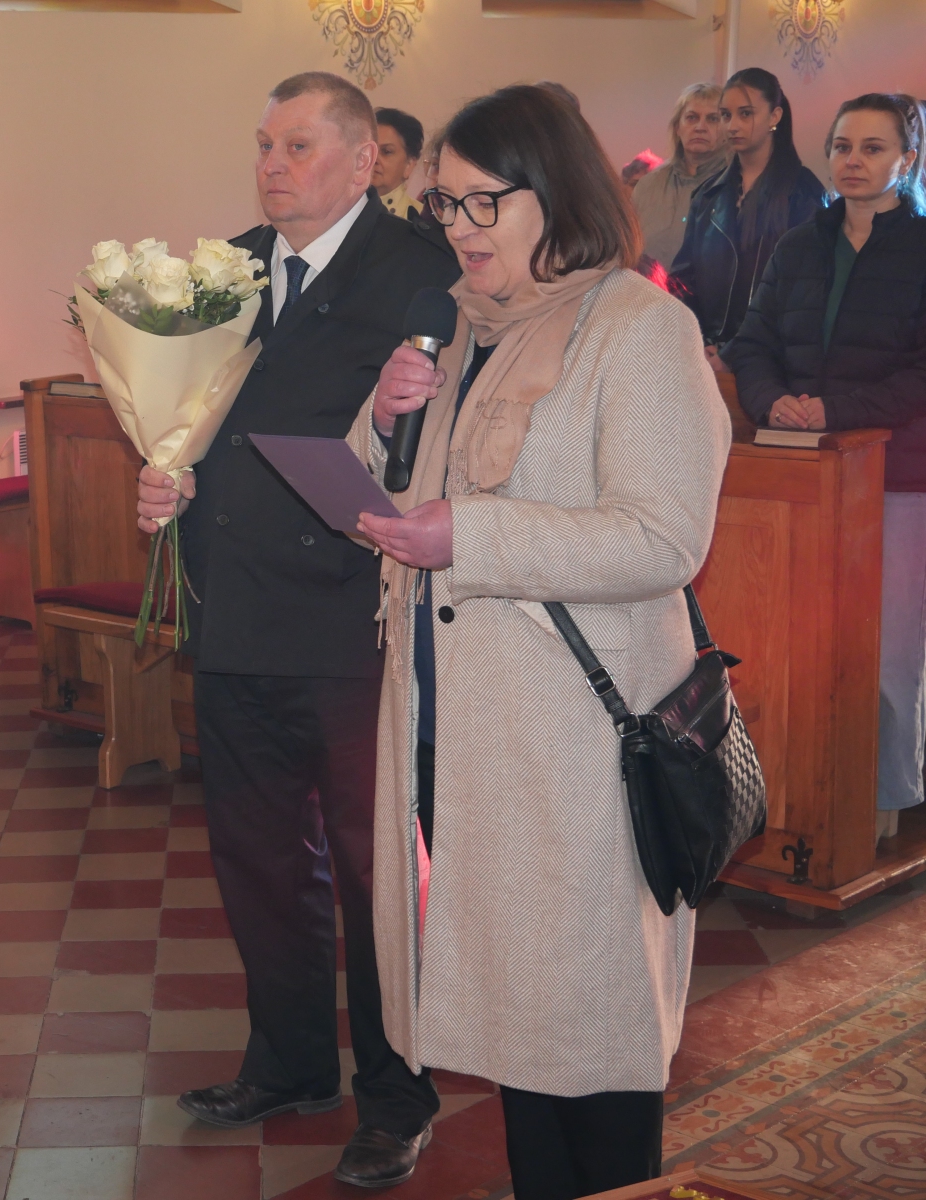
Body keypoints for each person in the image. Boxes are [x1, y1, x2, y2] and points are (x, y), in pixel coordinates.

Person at [348, 84, 729, 1200]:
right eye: (444, 203)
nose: (459, 227)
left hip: (577, 741)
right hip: (460, 725)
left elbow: (663, 537)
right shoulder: (460, 327)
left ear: (554, 193)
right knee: (525, 1023)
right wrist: (383, 417)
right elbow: (396, 496)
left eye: (484, 202)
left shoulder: (639, 329)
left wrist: (471, 536)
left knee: (592, 1032)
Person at [135, 71, 459, 1189]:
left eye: (299, 147)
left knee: (376, 872)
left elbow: (435, 445)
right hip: (232, 606)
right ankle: (288, 1062)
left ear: (364, 161)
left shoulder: (419, 271)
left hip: (351, 614)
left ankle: (397, 1094)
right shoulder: (224, 272)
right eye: (264, 146)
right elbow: (191, 421)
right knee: (258, 857)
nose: (273, 166)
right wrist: (164, 477)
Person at [723, 93, 926, 841]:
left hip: (896, 475)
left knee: (887, 649)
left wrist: (834, 411)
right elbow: (751, 343)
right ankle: (796, 798)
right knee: (797, 646)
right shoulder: (798, 245)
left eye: (874, 148)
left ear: (907, 159)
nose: (854, 161)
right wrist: (772, 401)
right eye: (843, 146)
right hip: (800, 479)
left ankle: (884, 802)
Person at [670, 67, 826, 349]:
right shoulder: (708, 195)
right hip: (705, 349)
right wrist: (698, 342)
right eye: (726, 115)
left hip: (770, 354)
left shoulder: (803, 193)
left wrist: (737, 351)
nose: (732, 126)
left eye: (745, 114)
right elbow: (683, 280)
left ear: (774, 116)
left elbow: (806, 293)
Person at [632, 82, 727, 267]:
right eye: (691, 118)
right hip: (649, 285)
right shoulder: (648, 186)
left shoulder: (739, 185)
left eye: (712, 119)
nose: (700, 127)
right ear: (677, 127)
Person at [374, 107, 424, 219]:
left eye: (386, 151)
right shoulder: (338, 211)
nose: (374, 159)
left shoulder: (421, 219)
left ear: (409, 165)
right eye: (369, 150)